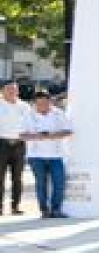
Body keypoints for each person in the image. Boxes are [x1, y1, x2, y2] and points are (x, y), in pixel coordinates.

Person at [20, 90, 72, 218]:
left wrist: (52, 135)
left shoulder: (58, 113)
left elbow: (68, 131)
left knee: (59, 182)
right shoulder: (27, 115)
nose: (42, 106)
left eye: (45, 103)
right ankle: (44, 210)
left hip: (56, 155)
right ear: (34, 104)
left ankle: (56, 209)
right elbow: (22, 135)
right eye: (39, 104)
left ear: (50, 102)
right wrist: (38, 136)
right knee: (41, 183)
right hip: (35, 155)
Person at [0, 81, 32, 214]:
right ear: (2, 91)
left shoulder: (24, 106)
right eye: (9, 89)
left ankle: (15, 206)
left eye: (14, 89)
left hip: (19, 145)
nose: (12, 91)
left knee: (17, 178)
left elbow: (30, 124)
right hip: (1, 143)